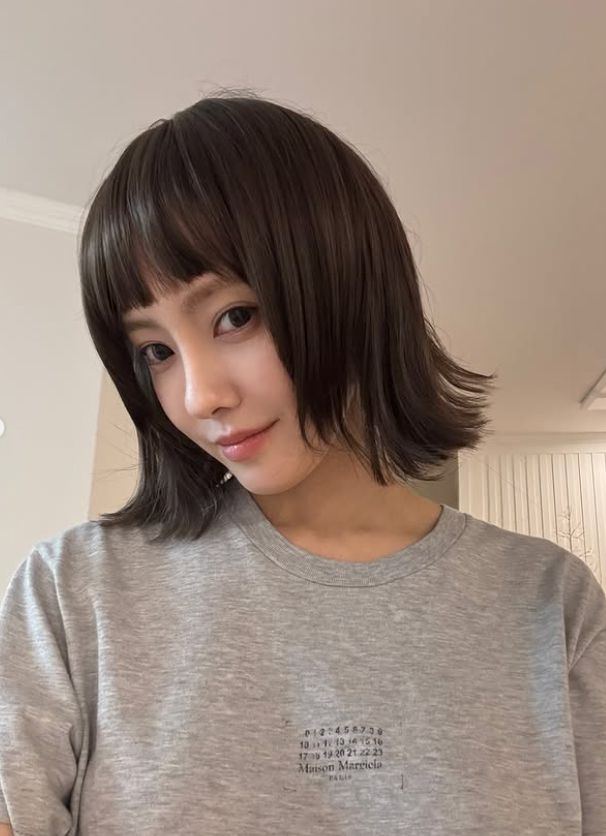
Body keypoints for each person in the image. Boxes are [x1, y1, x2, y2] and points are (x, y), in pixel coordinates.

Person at [0, 91, 604, 836]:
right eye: (155, 351)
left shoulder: (552, 605)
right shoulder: (72, 592)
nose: (199, 395)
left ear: (352, 284)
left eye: (235, 317)